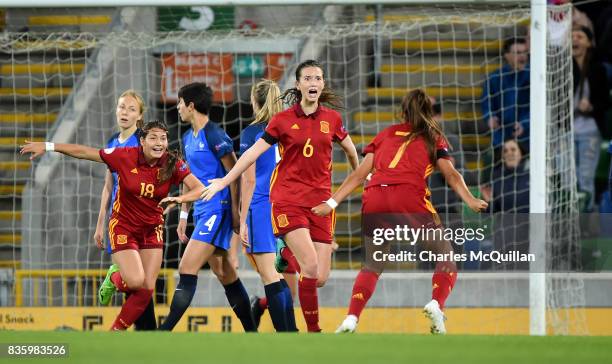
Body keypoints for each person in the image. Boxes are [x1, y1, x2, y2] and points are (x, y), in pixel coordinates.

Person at [310, 89, 487, 334]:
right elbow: (451, 174)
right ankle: (437, 304)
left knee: (373, 264)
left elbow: (359, 174)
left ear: (403, 111)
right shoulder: (433, 136)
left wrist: (331, 203)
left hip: (375, 195)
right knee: (446, 256)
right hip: (408, 196)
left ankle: (351, 318)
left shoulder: (384, 134)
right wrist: (470, 200)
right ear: (430, 114)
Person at [202, 60, 360, 332]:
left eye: (318, 78)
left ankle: (286, 253)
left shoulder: (332, 120)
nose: (313, 82)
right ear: (298, 85)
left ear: (322, 84)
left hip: (321, 203)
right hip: (288, 201)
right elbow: (251, 155)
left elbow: (350, 150)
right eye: (308, 78)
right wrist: (225, 181)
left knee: (319, 277)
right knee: (309, 266)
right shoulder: (282, 121)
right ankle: (313, 332)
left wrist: (359, 174)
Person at [20, 120, 205, 330]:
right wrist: (49, 146)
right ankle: (115, 276)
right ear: (142, 141)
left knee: (146, 289)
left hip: (152, 229)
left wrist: (179, 200)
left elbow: (199, 189)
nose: (159, 143)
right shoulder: (124, 155)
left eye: (163, 138)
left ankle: (114, 332)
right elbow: (84, 152)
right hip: (123, 227)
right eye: (153, 137)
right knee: (135, 282)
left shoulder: (172, 163)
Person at [159, 82, 256, 332]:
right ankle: (252, 330)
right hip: (202, 212)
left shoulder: (215, 135)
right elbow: (186, 179)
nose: (178, 106)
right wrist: (183, 216)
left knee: (186, 267)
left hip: (218, 210)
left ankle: (163, 330)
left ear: (191, 106)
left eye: (180, 102)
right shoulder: (186, 138)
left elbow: (234, 173)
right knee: (225, 274)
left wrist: (235, 212)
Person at [91, 90, 156, 330]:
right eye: (121, 107)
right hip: (120, 220)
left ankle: (114, 279)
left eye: (131, 109)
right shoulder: (111, 143)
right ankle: (147, 333)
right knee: (139, 282)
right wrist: (100, 223)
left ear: (140, 116)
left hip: (144, 220)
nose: (124, 113)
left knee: (142, 282)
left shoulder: (144, 143)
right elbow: (108, 186)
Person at [239, 79, 297, 332]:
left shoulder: (253, 133)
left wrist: (241, 220)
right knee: (277, 275)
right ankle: (291, 331)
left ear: (255, 101)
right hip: (281, 207)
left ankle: (286, 335)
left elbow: (249, 178)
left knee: (269, 276)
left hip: (260, 206)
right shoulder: (285, 129)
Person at [572, 25, 610, 211]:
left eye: (579, 36)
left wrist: (592, 106)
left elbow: (606, 102)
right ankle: (567, 222)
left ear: (589, 42)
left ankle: (587, 223)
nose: (575, 40)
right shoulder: (564, 68)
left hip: (590, 129)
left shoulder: (597, 69)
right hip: (566, 130)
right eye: (572, 37)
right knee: (568, 179)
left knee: (585, 177)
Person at [481, 37, 530, 153]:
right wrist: (490, 117)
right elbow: (487, 102)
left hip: (527, 137)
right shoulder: (495, 78)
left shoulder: (534, 76)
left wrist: (525, 123)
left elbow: (538, 107)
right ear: (507, 55)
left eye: (524, 52)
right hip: (501, 136)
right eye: (518, 53)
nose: (522, 56)